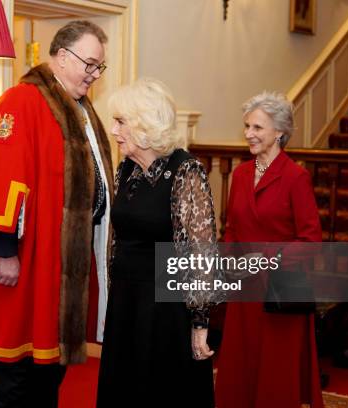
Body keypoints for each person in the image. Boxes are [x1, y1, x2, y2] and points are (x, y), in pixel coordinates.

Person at [0, 20, 113, 408]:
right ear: (63, 57)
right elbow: (1, 177)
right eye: (90, 64)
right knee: (14, 374)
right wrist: (4, 248)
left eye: (100, 67)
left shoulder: (80, 108)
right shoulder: (22, 101)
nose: (94, 75)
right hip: (25, 260)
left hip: (61, 263)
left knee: (49, 374)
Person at [96, 78, 220, 407]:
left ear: (146, 123)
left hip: (166, 309)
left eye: (121, 121)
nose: (114, 129)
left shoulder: (185, 170)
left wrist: (199, 323)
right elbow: (116, 240)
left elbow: (201, 252)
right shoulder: (127, 170)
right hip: (127, 302)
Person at [214, 91, 324, 407]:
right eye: (247, 126)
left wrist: (264, 258)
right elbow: (233, 229)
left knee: (275, 377)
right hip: (245, 291)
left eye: (258, 128)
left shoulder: (296, 177)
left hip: (280, 293)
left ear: (279, 131)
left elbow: (311, 241)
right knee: (241, 368)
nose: (249, 134)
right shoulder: (240, 173)